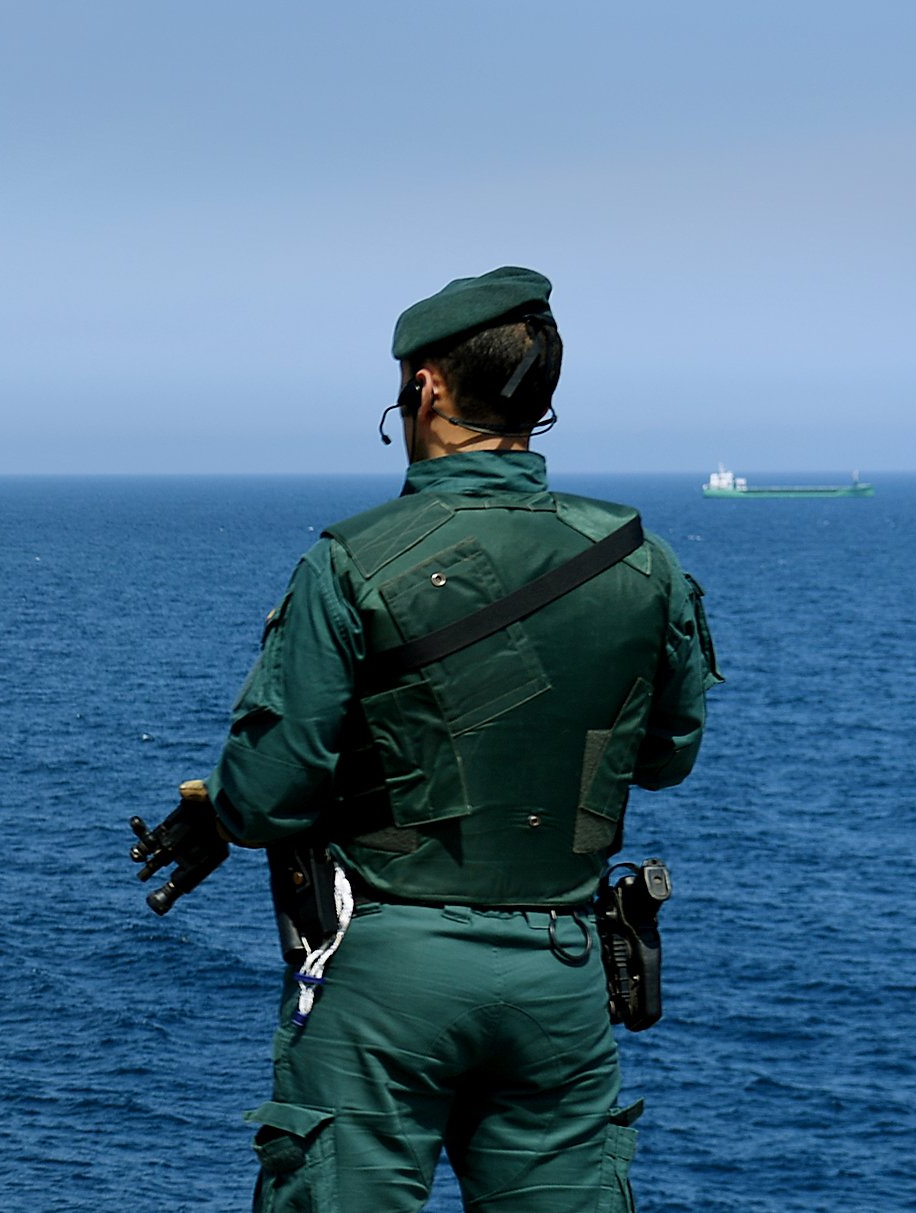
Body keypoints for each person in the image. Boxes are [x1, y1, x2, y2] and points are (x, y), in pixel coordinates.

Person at [203, 267, 720, 1211]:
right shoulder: (643, 564)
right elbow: (667, 756)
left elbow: (264, 797)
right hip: (563, 976)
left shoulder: (353, 561)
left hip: (388, 975)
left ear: (427, 385)